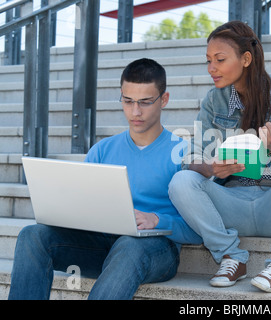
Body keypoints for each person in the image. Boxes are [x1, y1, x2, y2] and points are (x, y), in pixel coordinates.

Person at [8, 58, 202, 300]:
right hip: (101, 246)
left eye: (145, 102)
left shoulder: (185, 153)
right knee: (32, 235)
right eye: (128, 101)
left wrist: (157, 219)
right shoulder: (102, 150)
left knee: (130, 245)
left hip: (156, 250)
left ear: (164, 99)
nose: (135, 112)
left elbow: (199, 231)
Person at [168, 21, 271, 293]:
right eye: (208, 61)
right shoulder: (214, 100)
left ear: (246, 59)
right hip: (232, 205)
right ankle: (231, 257)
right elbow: (191, 156)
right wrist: (212, 167)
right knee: (181, 180)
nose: (211, 68)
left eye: (220, 60)